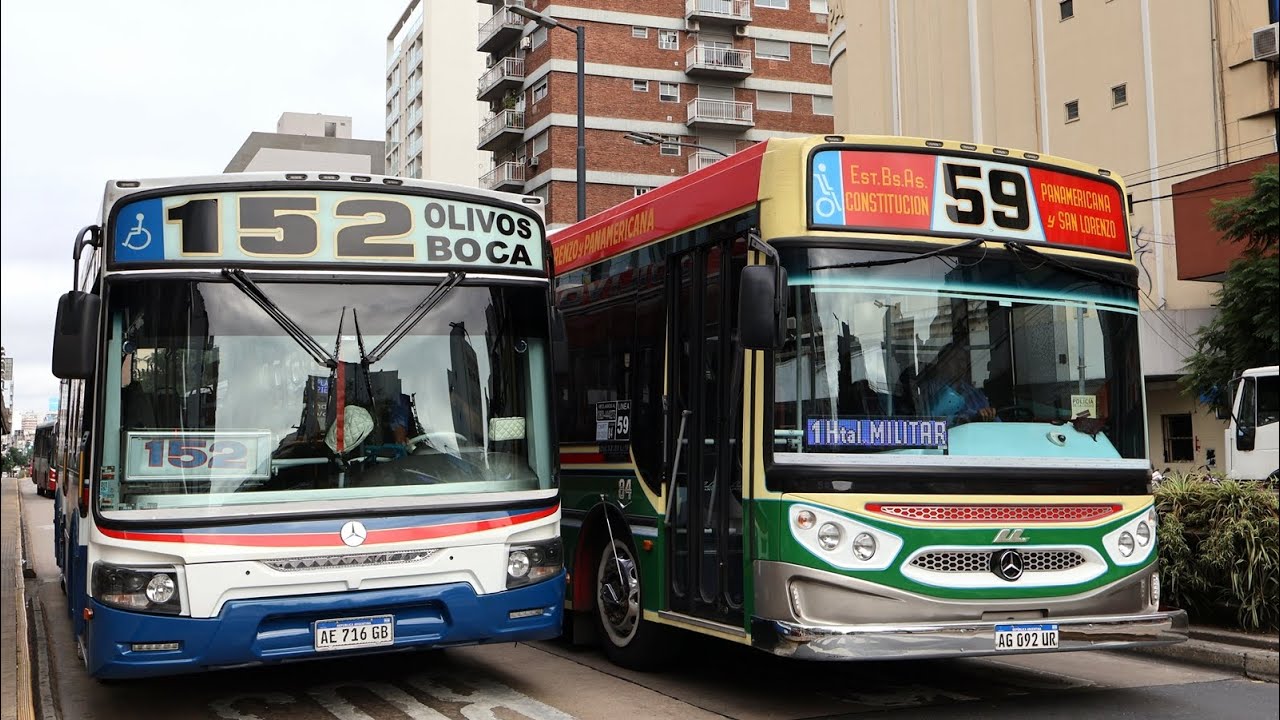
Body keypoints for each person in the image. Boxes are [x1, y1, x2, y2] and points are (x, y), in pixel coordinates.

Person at [920, 342, 997, 423]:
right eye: (955, 360)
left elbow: (993, 419)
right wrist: (970, 418)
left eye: (963, 361)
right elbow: (929, 421)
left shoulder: (975, 394)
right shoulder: (929, 390)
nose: (961, 365)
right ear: (941, 364)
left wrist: (989, 415)